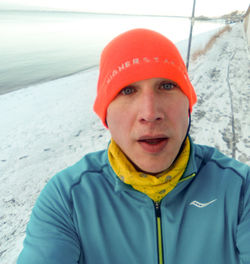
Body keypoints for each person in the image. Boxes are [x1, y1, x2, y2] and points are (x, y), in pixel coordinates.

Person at [17, 28, 250, 264]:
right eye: (127, 90)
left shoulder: (240, 189)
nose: (150, 114)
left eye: (167, 86)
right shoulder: (68, 199)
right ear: (106, 115)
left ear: (187, 105)